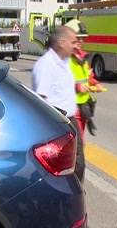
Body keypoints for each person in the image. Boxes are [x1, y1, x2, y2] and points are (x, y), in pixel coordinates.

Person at [32, 25, 85, 182]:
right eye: (73, 41)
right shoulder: (46, 65)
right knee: (68, 169)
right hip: (58, 125)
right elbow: (41, 100)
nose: (76, 45)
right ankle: (71, 200)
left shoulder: (65, 62)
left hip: (70, 121)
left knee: (77, 164)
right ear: (62, 43)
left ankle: (76, 196)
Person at [65, 19, 105, 142]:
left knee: (79, 143)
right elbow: (56, 84)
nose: (81, 41)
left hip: (82, 108)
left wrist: (95, 83)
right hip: (68, 111)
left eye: (82, 38)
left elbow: (87, 76)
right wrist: (77, 87)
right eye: (78, 38)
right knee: (75, 147)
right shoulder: (63, 58)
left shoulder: (81, 57)